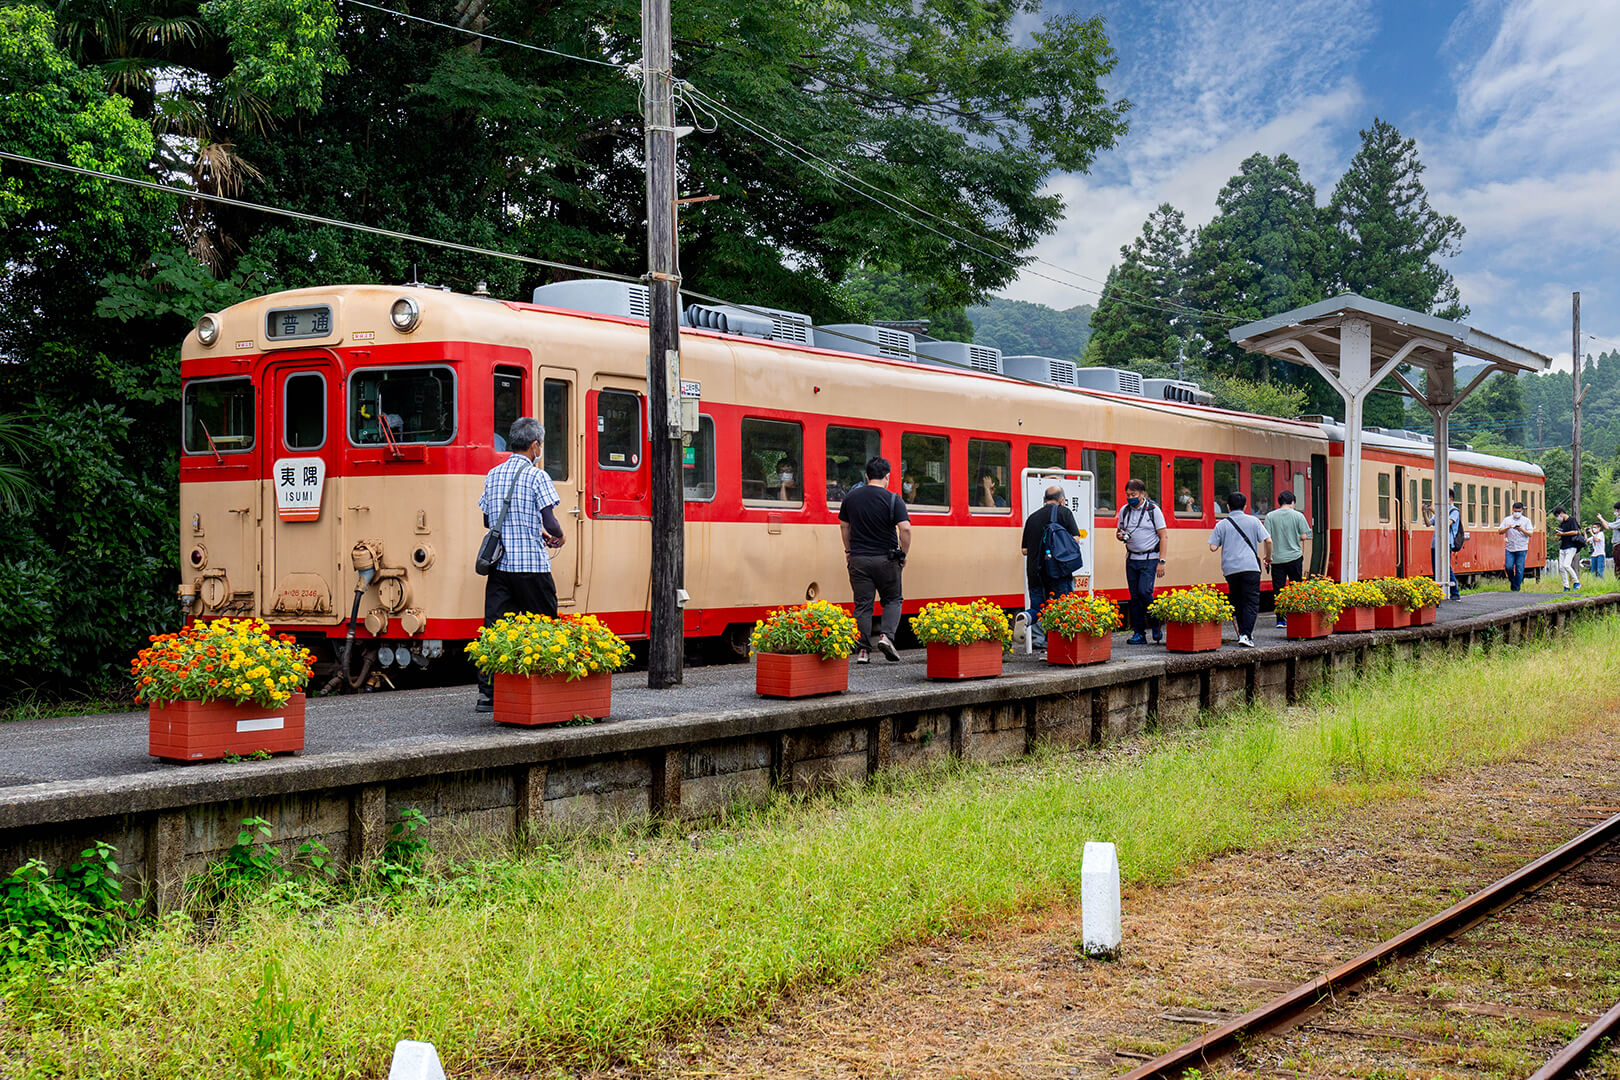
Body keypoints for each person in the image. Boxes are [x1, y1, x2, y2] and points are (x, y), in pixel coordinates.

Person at [475, 416, 566, 713]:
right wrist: (558, 536)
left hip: (501, 567)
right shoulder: (537, 476)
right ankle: (544, 687)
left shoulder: (494, 474)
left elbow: (489, 520)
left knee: (496, 629)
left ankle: (488, 694)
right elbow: (550, 520)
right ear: (535, 444)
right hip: (531, 568)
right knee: (543, 626)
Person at [839, 456, 911, 664]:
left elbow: (844, 526)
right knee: (892, 599)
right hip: (886, 558)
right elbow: (905, 529)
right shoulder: (893, 499)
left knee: (863, 605)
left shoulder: (851, 498)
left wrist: (849, 550)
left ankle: (863, 651)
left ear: (866, 476)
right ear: (887, 476)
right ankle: (886, 637)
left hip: (859, 559)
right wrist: (903, 553)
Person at [1020, 485, 1081, 650]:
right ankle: (1058, 642)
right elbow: (1075, 539)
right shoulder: (1064, 512)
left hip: (1034, 571)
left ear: (1044, 500)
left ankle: (1029, 620)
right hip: (1058, 570)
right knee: (1062, 606)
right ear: (1062, 500)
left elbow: (1024, 550)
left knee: (1038, 608)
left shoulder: (1032, 518)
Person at [1208, 491, 1271, 648]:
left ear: (1228, 507)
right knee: (1251, 601)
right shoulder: (1254, 521)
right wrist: (1268, 557)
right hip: (1250, 567)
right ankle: (1246, 634)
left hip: (1231, 569)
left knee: (1238, 601)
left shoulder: (1221, 524)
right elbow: (1268, 540)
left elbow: (1213, 547)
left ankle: (1244, 632)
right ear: (1245, 506)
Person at [1116, 477, 1168, 644]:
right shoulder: (1125, 510)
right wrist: (1120, 535)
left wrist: (1162, 561)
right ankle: (1139, 633)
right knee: (1134, 597)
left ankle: (1155, 623)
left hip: (1149, 558)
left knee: (1145, 592)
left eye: (1133, 494)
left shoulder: (1153, 510)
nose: (1130, 497)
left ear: (1142, 493)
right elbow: (1119, 531)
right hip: (1131, 558)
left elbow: (1163, 536)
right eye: (1128, 494)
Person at [1263, 491, 1312, 627]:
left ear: (1280, 502)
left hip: (1277, 559)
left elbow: (1267, 538)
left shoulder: (1270, 516)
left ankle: (1280, 619)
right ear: (1292, 502)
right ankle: (1297, 615)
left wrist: (1267, 556)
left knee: (1278, 589)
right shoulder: (1298, 516)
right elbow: (1303, 536)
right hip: (1294, 557)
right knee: (1296, 586)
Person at [1497, 500, 1534, 592]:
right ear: (1512, 510)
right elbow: (1500, 531)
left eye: (1518, 511)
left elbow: (1530, 534)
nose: (1516, 513)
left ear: (1522, 511)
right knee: (1508, 567)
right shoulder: (1507, 520)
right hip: (1510, 547)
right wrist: (1508, 527)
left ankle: (1516, 588)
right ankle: (1513, 581)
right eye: (1515, 511)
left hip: (1522, 547)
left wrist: (1521, 529)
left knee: (1519, 568)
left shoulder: (1526, 521)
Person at [1554, 507, 1583, 591]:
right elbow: (1562, 533)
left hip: (1571, 546)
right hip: (1563, 546)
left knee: (1566, 565)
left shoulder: (1572, 520)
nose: (1558, 518)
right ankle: (1566, 586)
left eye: (1558, 515)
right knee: (1561, 568)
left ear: (1562, 513)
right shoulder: (1562, 523)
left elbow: (1575, 531)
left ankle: (1576, 582)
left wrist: (1563, 533)